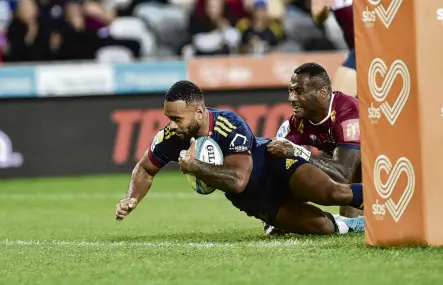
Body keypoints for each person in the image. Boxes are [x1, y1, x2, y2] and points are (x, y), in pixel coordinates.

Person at [115, 80, 364, 235]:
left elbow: (239, 180)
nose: (172, 125)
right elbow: (145, 169)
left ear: (200, 113)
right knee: (322, 227)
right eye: (169, 118)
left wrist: (194, 165)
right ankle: (355, 225)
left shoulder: (229, 123)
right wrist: (131, 198)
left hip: (274, 166)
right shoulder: (170, 136)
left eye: (177, 119)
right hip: (254, 200)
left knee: (332, 193)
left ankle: (390, 199)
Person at [264, 62, 362, 235]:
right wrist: (274, 213)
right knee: (286, 174)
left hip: (384, 164)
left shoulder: (348, 112)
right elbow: (271, 158)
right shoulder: (297, 122)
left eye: (299, 91)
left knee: (356, 215)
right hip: (348, 161)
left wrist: (297, 151)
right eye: (290, 90)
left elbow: (343, 173)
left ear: (322, 93)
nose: (291, 98)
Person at [311, 0, 357, 97]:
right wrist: (323, 10)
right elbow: (318, 16)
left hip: (377, 50)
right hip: (356, 54)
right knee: (336, 105)